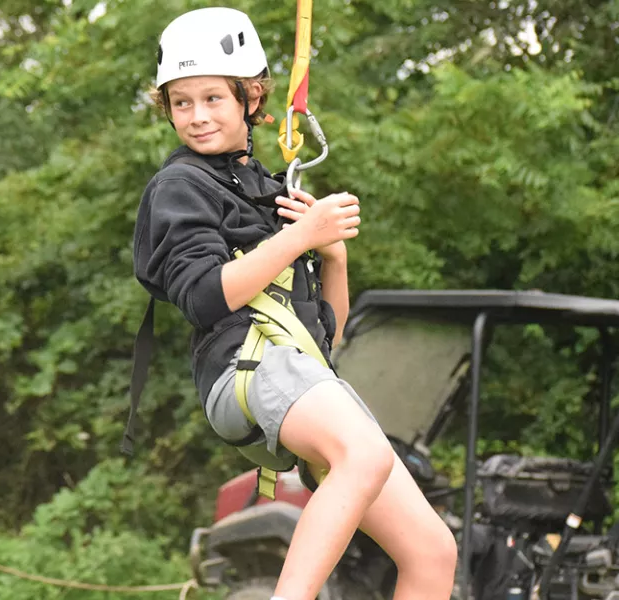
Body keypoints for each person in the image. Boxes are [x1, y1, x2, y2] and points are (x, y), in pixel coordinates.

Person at [131, 8, 457, 600]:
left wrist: (333, 257)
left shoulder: (264, 186)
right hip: (243, 371)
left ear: (251, 96)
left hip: (297, 370)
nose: (198, 116)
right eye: (182, 102)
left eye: (212, 98)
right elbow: (205, 298)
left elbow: (326, 338)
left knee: (433, 552)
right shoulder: (180, 187)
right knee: (360, 454)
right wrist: (298, 238)